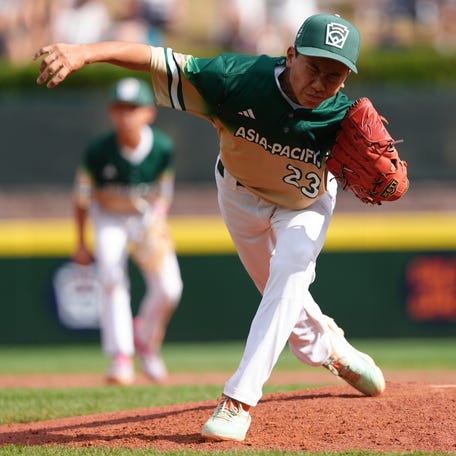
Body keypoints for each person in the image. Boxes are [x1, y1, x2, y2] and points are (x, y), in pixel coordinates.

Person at [34, 12, 385, 441]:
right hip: (240, 195)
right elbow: (155, 59)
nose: (320, 83)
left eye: (334, 76)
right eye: (313, 67)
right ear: (290, 54)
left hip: (305, 206)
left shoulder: (343, 117)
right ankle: (327, 346)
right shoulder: (235, 79)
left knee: (290, 270)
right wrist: (86, 52)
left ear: (346, 78)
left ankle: (237, 401)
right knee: (276, 289)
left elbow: (375, 168)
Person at [71, 76, 183, 385]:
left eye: (133, 108)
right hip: (108, 217)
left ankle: (144, 338)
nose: (126, 115)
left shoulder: (161, 147)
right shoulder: (98, 150)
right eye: (120, 108)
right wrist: (81, 241)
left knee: (170, 287)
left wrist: (158, 221)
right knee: (110, 278)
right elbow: (81, 199)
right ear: (111, 112)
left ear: (149, 112)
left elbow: (164, 191)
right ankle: (121, 356)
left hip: (145, 218)